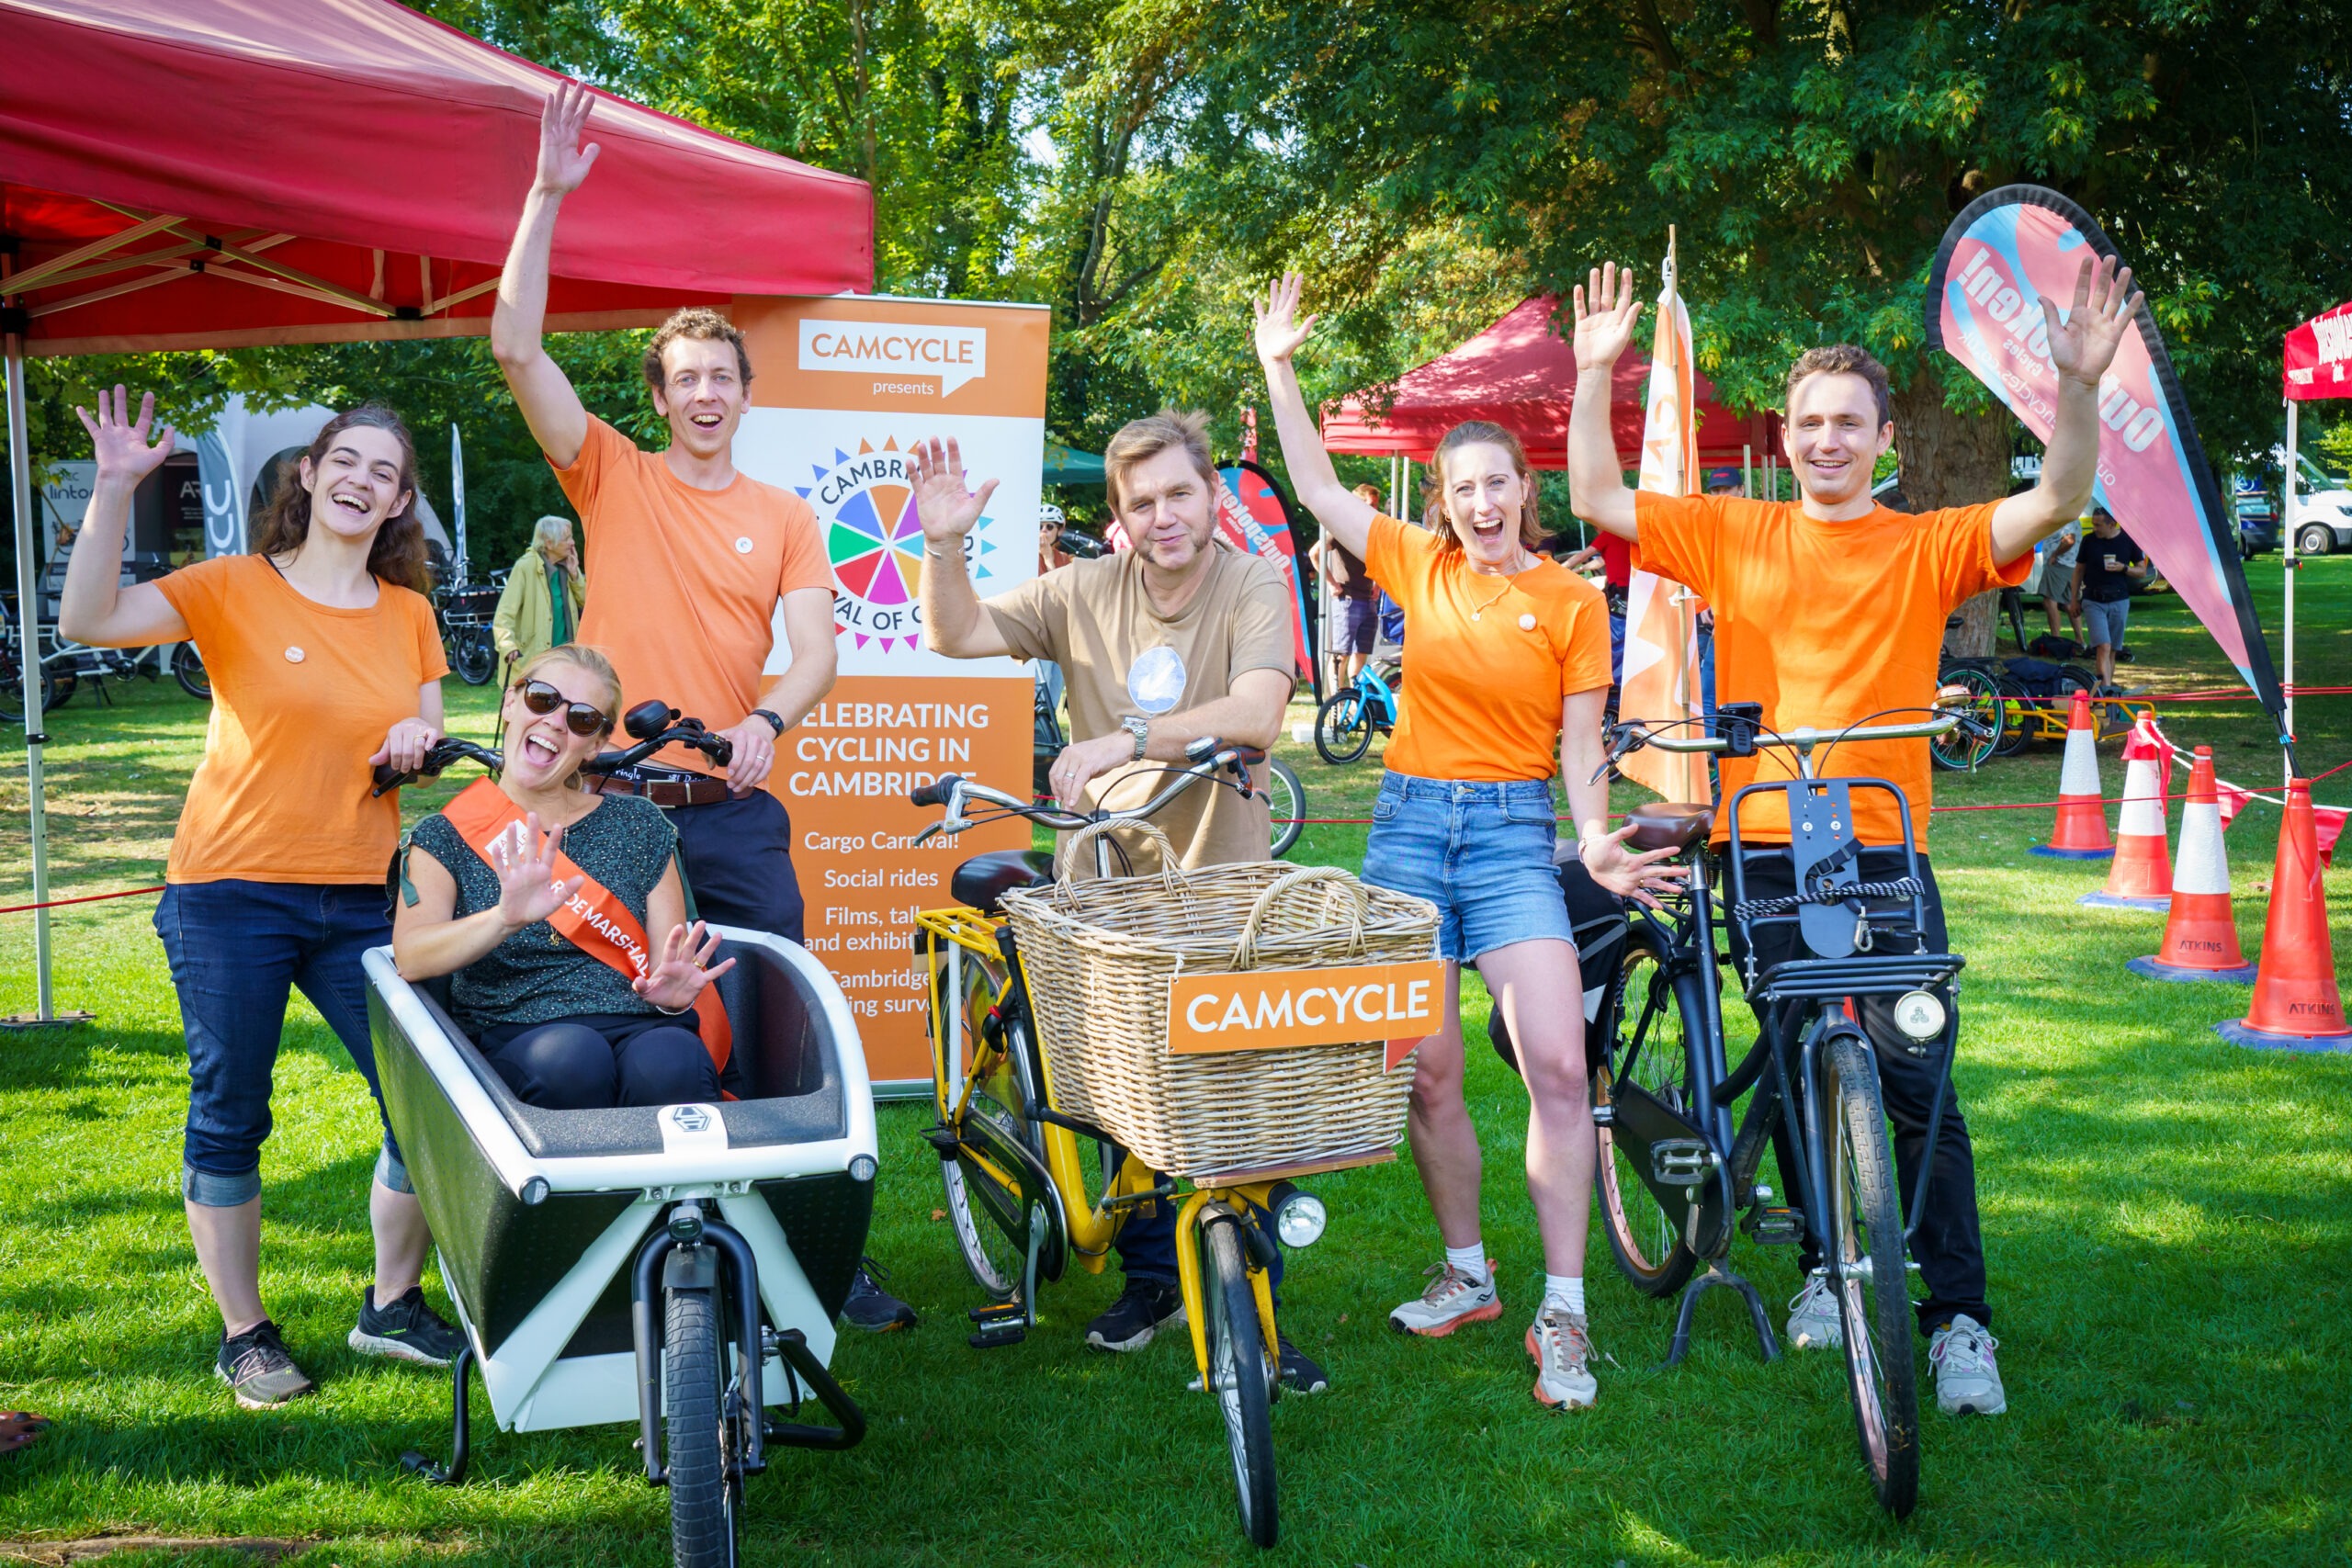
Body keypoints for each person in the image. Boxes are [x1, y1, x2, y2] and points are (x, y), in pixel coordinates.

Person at [1569, 252, 2145, 1417]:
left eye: (1849, 423)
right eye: (1808, 422)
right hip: (1767, 835)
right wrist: (1595, 375)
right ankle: (1828, 1270)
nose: (1825, 439)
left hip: (1881, 842)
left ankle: (1960, 1322)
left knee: (1918, 1082)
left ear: (1885, 441)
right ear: (1785, 435)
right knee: (1792, 1052)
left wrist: (2076, 389)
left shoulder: (1927, 541)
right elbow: (1596, 500)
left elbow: (2056, 500)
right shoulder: (1735, 530)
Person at [491, 79, 912, 1331]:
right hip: (607, 805)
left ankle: (808, 1245)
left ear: (744, 388)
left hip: (728, 810)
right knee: (608, 1027)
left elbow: (819, 651)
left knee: (780, 1026)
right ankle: (614, 1251)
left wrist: (770, 718)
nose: (706, 393)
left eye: (723, 374)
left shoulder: (785, 514)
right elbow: (516, 344)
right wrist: (546, 193)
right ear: (660, 394)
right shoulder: (609, 472)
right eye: (684, 378)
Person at [1255, 273, 1679, 1411]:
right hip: (1403, 836)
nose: (1481, 502)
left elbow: (1582, 740)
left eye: (1496, 483)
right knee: (1428, 1073)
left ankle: (1565, 1311)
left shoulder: (1573, 600)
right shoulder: (1416, 564)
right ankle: (1466, 1274)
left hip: (1508, 842)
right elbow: (1308, 485)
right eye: (1462, 488)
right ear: (1441, 500)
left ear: (1523, 488)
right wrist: (1280, 364)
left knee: (1552, 1062)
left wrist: (1591, 838)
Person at [59, 389, 462, 1408]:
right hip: (229, 894)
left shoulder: (410, 614)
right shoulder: (233, 585)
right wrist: (112, 490)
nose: (362, 480)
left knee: (426, 1095)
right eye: (348, 461)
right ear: (311, 474)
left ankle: (390, 1306)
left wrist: (416, 748)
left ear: (400, 502)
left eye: (386, 471)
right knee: (232, 1112)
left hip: (358, 901)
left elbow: (421, 738)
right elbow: (88, 619)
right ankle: (244, 1334)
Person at [910, 413, 1327, 1389]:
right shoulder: (1082, 587)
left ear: (1211, 496)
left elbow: (1261, 711)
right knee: (1116, 1095)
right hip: (1105, 889)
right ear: (1119, 517)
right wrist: (939, 543)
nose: (1163, 516)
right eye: (1140, 503)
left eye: (1179, 493)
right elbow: (957, 630)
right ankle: (1149, 1280)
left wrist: (1129, 736)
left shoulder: (1251, 580)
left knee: (1242, 1097)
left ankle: (1250, 1305)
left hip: (1224, 891)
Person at [392, 647, 731, 1108]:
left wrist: (672, 1000)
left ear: (595, 745)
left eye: (583, 719)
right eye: (543, 698)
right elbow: (411, 957)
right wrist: (504, 919)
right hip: (517, 1031)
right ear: (511, 702)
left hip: (638, 1023)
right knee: (573, 1060)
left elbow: (664, 961)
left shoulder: (639, 824)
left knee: (673, 1060)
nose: (556, 721)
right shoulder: (444, 836)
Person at [491, 514, 586, 678]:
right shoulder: (525, 566)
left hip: (567, 658)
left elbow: (587, 602)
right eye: (567, 538)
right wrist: (507, 646)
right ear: (549, 543)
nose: (573, 543)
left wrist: (575, 576)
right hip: (534, 659)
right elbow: (504, 614)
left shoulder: (569, 565)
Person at [1309, 483, 1382, 686]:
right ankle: (1337, 706)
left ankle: (1353, 698)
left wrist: (1378, 584)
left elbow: (1380, 560)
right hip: (1347, 598)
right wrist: (1332, 584)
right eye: (1369, 504)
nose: (1373, 509)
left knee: (1361, 652)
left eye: (1375, 505)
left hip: (1368, 599)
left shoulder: (1372, 531)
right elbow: (1315, 553)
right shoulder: (1341, 529)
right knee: (1342, 652)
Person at [2071, 507, 2147, 688]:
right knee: (2103, 646)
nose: (2094, 528)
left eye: (2098, 525)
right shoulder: (2089, 541)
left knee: (2112, 649)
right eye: (2093, 524)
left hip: (2119, 600)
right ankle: (2104, 693)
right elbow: (2079, 570)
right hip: (2093, 600)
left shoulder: (2127, 540)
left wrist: (2124, 568)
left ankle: (2108, 689)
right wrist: (2074, 598)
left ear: (2111, 524)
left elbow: (2142, 570)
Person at [2035, 513, 2086, 648]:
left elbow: (2070, 540)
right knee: (2070, 604)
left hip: (2059, 564)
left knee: (2049, 601)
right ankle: (2080, 640)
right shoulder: (2072, 515)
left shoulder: (2065, 516)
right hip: (2071, 565)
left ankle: (2055, 640)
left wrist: (2054, 555)